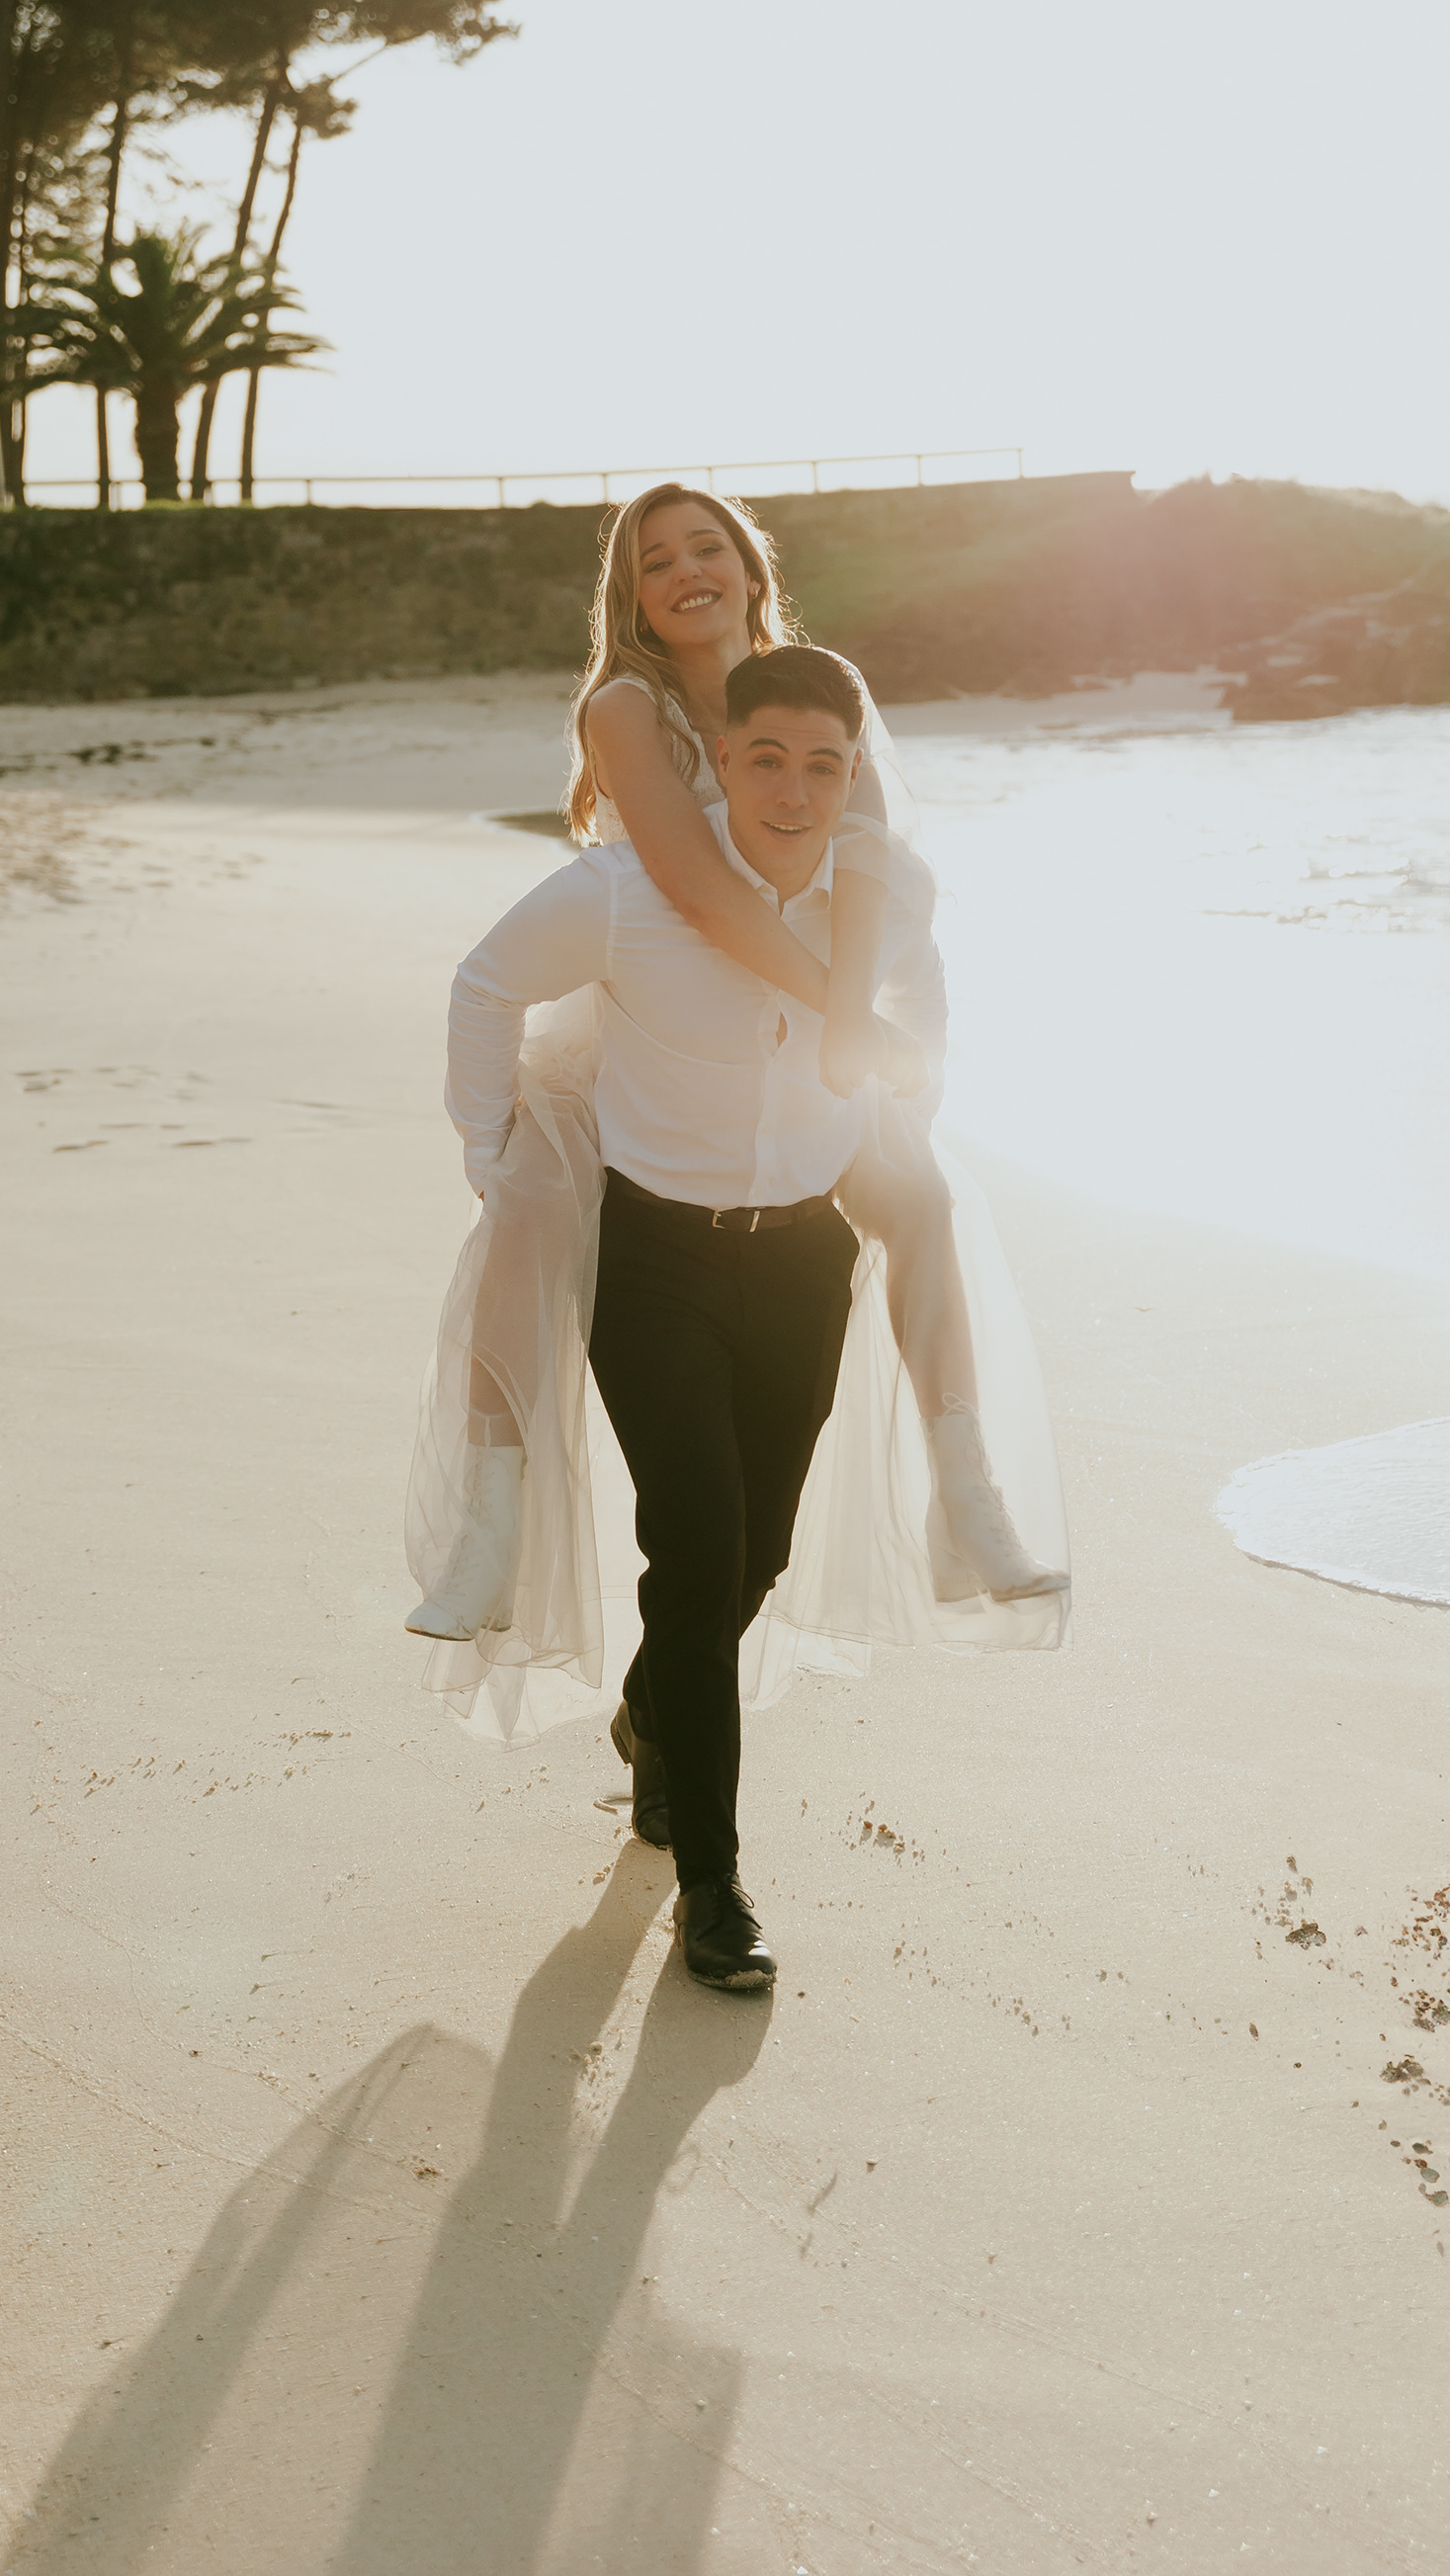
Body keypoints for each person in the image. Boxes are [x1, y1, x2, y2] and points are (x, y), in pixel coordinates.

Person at [404, 487, 1061, 1704]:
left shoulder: (813, 687)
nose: (685, 572)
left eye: (707, 548)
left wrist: (853, 1049)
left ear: (754, 570)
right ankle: (488, 1531)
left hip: (805, 1028)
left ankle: (964, 1499)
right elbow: (700, 893)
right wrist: (843, 1018)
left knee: (920, 1197)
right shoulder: (627, 706)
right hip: (646, 1022)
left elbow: (866, 870)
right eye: (655, 561)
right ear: (634, 597)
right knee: (529, 1207)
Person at [424, 647, 951, 1987]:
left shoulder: (880, 901)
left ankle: (653, 1708)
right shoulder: (625, 893)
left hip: (804, 1259)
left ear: (853, 775)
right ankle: (711, 1889)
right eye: (766, 758)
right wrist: (492, 1153)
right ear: (721, 759)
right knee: (699, 1543)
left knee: (756, 1552)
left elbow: (922, 1020)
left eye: (822, 766)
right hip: (655, 1260)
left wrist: (906, 1111)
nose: (792, 790)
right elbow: (486, 983)